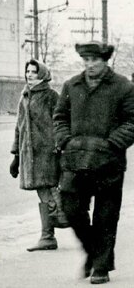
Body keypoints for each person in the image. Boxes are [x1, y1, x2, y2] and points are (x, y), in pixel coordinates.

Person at [54, 41, 134, 284]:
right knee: (71, 209)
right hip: (76, 160)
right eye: (86, 60)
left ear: (105, 61)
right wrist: (66, 141)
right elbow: (59, 118)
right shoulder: (71, 85)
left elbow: (132, 122)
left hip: (108, 163)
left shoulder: (123, 87)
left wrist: (110, 145)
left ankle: (100, 266)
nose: (89, 65)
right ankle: (93, 251)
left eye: (94, 60)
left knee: (106, 217)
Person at [10, 58, 68, 251]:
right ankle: (48, 236)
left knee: (50, 190)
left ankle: (50, 235)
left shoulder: (51, 96)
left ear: (42, 74)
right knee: (43, 191)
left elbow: (62, 122)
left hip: (48, 153)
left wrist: (59, 147)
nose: (29, 75)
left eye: (33, 72)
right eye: (27, 71)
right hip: (29, 154)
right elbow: (19, 127)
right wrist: (16, 156)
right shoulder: (24, 96)